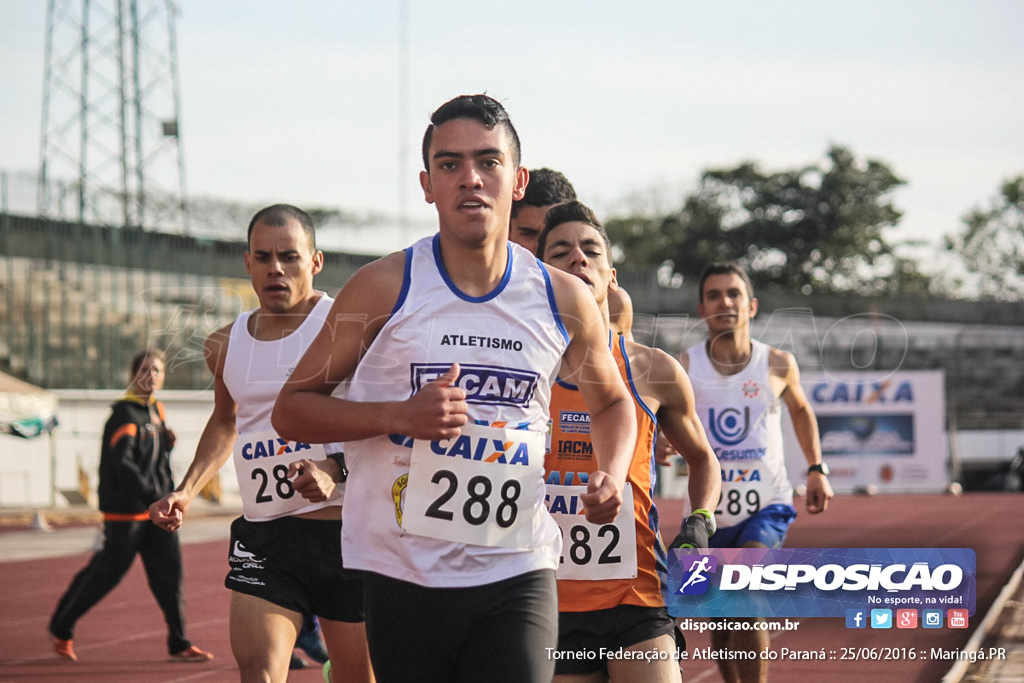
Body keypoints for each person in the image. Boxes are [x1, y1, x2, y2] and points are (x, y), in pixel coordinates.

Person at [271, 94, 637, 683]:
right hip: (403, 571)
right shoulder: (384, 287)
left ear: (517, 181)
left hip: (517, 562)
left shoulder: (561, 299)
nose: (471, 178)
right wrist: (400, 415)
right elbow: (292, 410)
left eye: (488, 162)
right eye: (450, 164)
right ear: (427, 184)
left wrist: (612, 473)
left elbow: (615, 402)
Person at [149, 204, 373, 683]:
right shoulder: (225, 345)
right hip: (268, 536)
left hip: (350, 534)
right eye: (265, 257)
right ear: (247, 263)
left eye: (290, 257)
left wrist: (334, 471)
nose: (277, 268)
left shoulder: (350, 329)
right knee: (260, 674)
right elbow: (226, 422)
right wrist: (186, 490)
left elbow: (383, 423)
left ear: (315, 262)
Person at [538, 201, 721, 682]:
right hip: (545, 602)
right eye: (560, 251)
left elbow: (703, 459)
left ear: (610, 274)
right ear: (541, 273)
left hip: (636, 596)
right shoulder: (523, 371)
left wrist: (700, 521)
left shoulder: (653, 370)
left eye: (590, 249)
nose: (577, 258)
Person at [680, 262, 834, 683]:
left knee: (744, 592)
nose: (724, 302)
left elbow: (801, 411)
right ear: (701, 308)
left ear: (751, 306)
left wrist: (817, 468)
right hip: (706, 511)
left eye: (733, 294)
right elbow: (662, 420)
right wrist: (659, 443)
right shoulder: (683, 366)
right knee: (721, 615)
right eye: (714, 295)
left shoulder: (778, 363)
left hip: (766, 506)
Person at [49, 350, 213, 664]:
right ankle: (61, 628)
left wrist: (167, 445)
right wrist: (153, 495)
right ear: (133, 375)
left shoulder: (156, 411)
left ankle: (179, 641)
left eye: (157, 371)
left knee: (170, 579)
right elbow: (123, 464)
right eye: (145, 370)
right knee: (104, 576)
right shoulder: (123, 414)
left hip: (158, 514)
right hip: (127, 515)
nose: (151, 376)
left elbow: (151, 459)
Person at [510, 167, 634, 340]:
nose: (541, 244)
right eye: (529, 233)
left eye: (556, 234)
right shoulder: (486, 292)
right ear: (506, 233)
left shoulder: (614, 302)